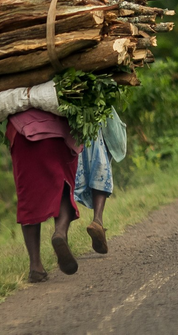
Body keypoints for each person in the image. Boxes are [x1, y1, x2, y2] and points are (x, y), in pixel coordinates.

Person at [5, 107, 83, 283]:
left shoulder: (5, 84)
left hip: (22, 133)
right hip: (58, 132)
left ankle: (36, 266)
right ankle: (60, 233)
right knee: (64, 187)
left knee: (28, 197)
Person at [74, 107, 126, 254]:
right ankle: (97, 220)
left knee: (67, 178)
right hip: (91, 119)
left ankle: (61, 233)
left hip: (67, 125)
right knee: (100, 164)